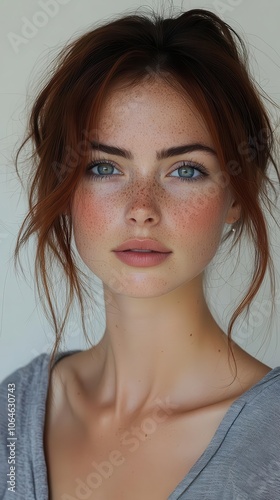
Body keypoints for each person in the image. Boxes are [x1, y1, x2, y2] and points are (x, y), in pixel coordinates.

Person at [1, 6, 280, 500]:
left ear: (236, 195)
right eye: (106, 168)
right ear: (64, 187)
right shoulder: (11, 415)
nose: (141, 209)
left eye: (186, 170)